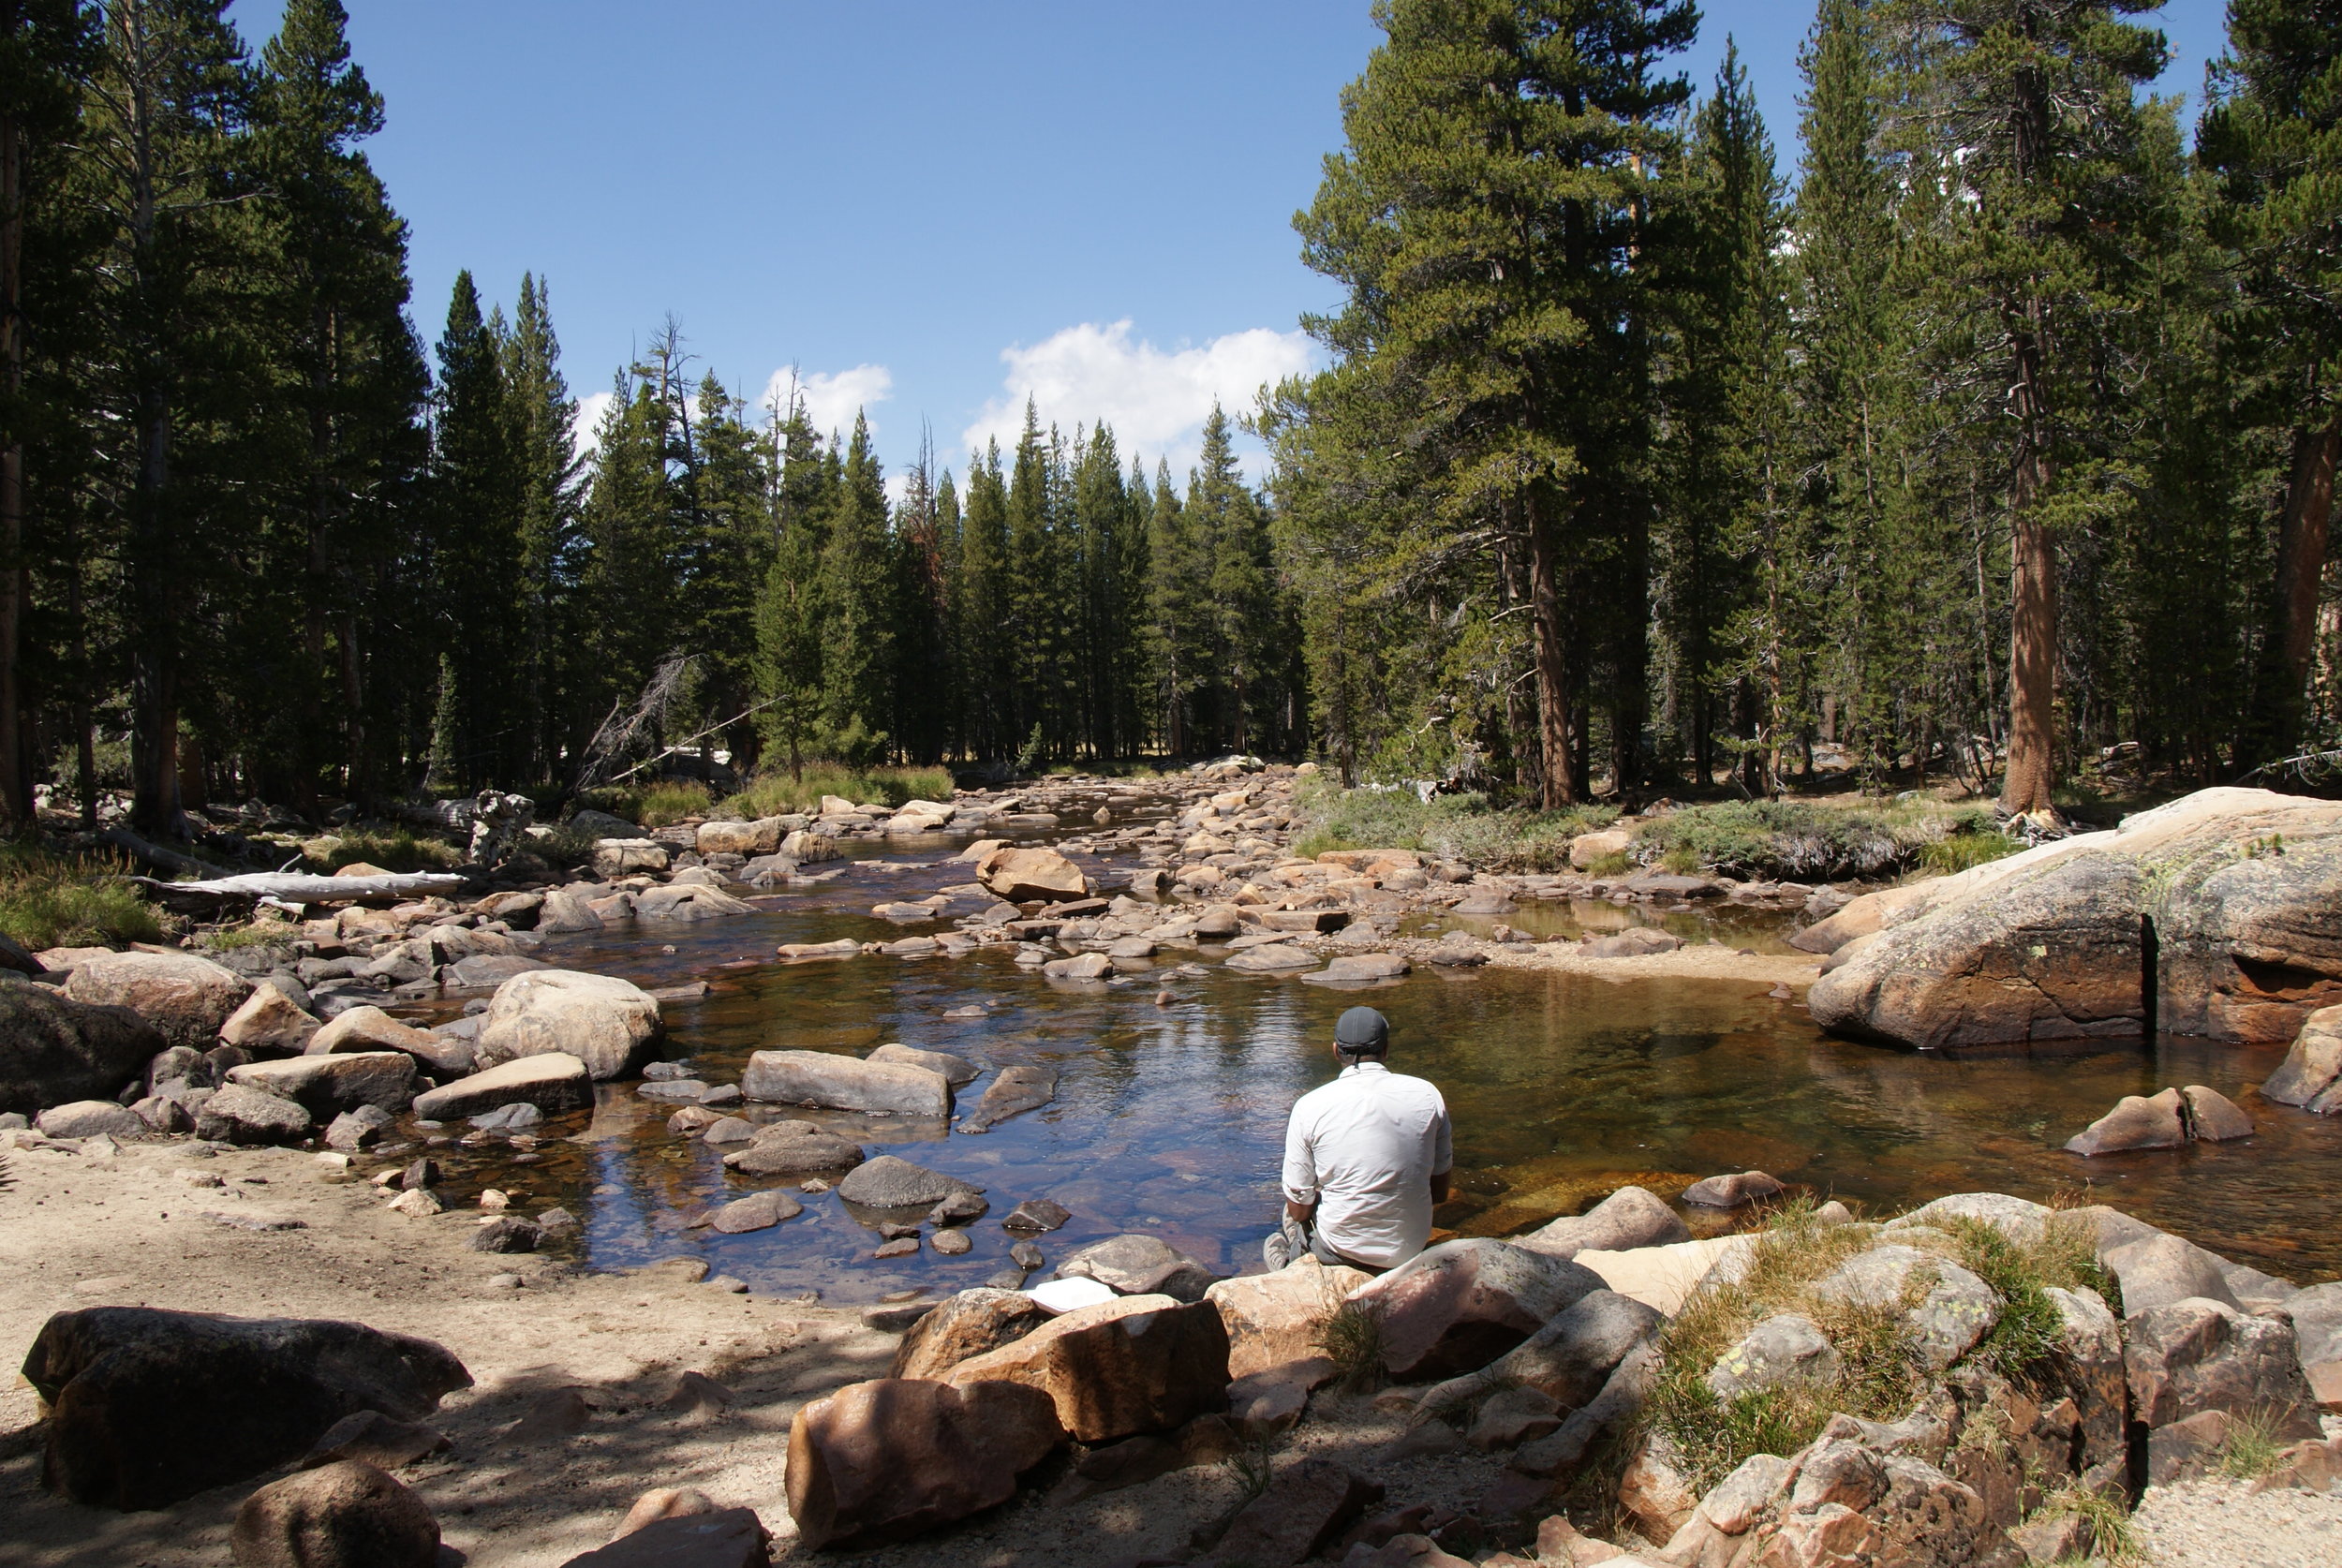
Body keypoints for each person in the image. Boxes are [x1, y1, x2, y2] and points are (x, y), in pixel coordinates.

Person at [1266, 1005, 1452, 1273]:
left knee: (1287, 1222)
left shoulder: (1309, 1106)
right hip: (1410, 1246)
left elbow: (1299, 1211)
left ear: (1335, 1050)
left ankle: (1287, 1263)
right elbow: (1438, 1193)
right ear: (1386, 1050)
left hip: (1342, 1249)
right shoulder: (1428, 1094)